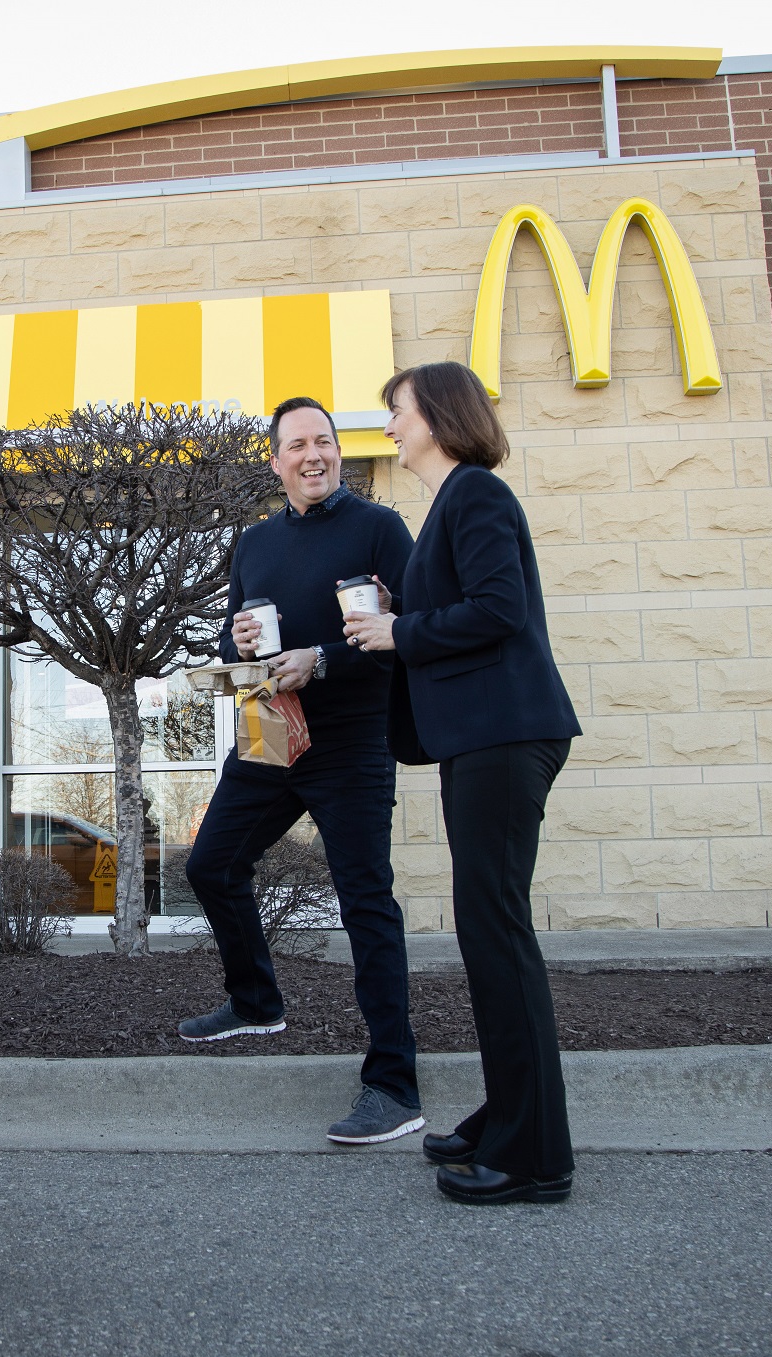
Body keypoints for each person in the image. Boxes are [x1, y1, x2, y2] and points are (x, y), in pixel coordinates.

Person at [343, 360, 582, 1204]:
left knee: (497, 934)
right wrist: (386, 614)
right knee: (490, 934)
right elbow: (447, 610)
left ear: (438, 417)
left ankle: (533, 1156)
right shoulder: (450, 507)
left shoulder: (476, 495)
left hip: (506, 735)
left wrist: (403, 626)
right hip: (483, 739)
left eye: (397, 412)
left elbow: (497, 607)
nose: (391, 428)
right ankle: (509, 1114)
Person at [179, 395, 425, 1147]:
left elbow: (417, 625)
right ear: (276, 460)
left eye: (324, 441)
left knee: (365, 903)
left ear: (337, 453)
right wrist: (242, 634)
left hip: (351, 741)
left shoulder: (379, 528)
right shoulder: (253, 542)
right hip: (270, 733)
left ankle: (393, 1084)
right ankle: (255, 1000)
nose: (313, 454)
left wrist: (326, 658)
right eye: (298, 445)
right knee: (212, 864)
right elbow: (238, 628)